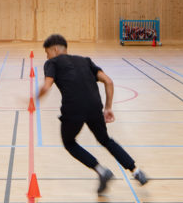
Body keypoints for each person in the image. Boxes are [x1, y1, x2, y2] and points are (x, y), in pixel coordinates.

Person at [36, 33, 148, 193]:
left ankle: (102, 171)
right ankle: (136, 172)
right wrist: (108, 107)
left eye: (47, 52)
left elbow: (47, 86)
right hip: (95, 107)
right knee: (105, 140)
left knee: (69, 143)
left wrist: (33, 99)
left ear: (54, 49)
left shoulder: (52, 63)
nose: (47, 56)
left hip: (73, 109)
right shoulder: (85, 61)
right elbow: (108, 81)